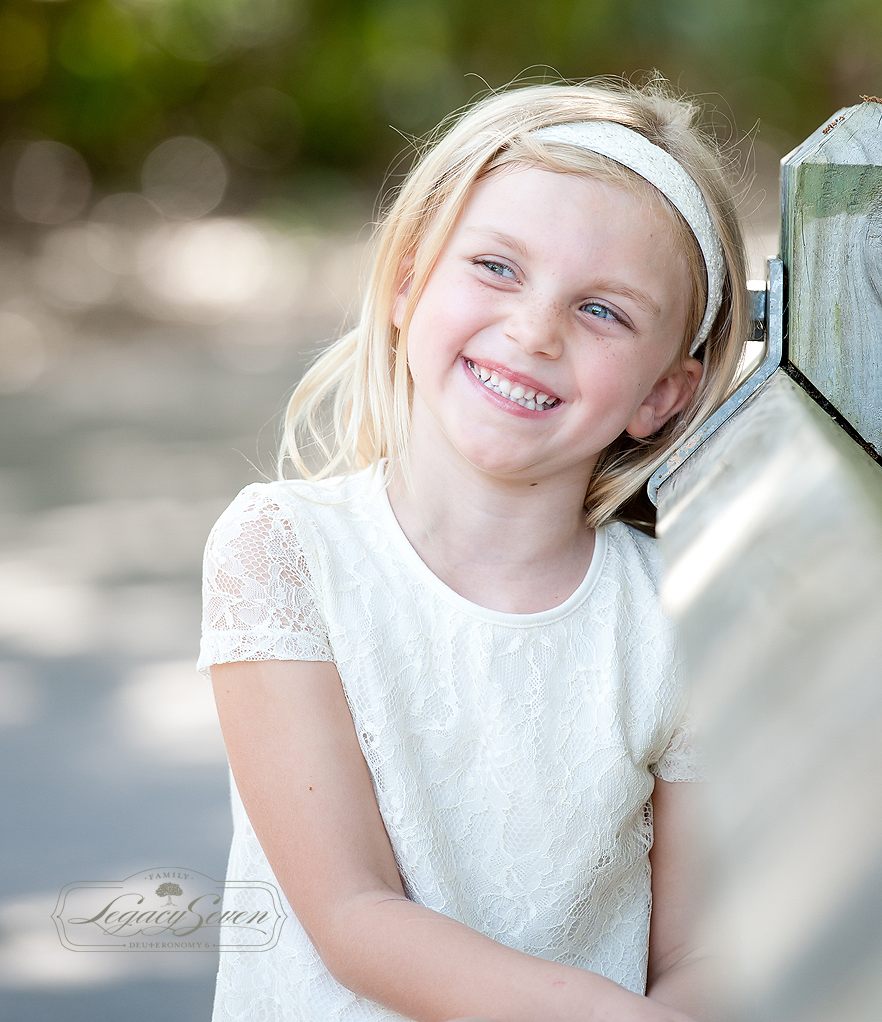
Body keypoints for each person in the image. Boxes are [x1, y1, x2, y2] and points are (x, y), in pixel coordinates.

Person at [198, 76, 749, 1022]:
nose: (533, 330)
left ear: (664, 392)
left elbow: (698, 946)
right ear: (409, 281)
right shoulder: (285, 552)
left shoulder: (678, 616)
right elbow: (352, 914)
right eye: (497, 267)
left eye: (603, 310)